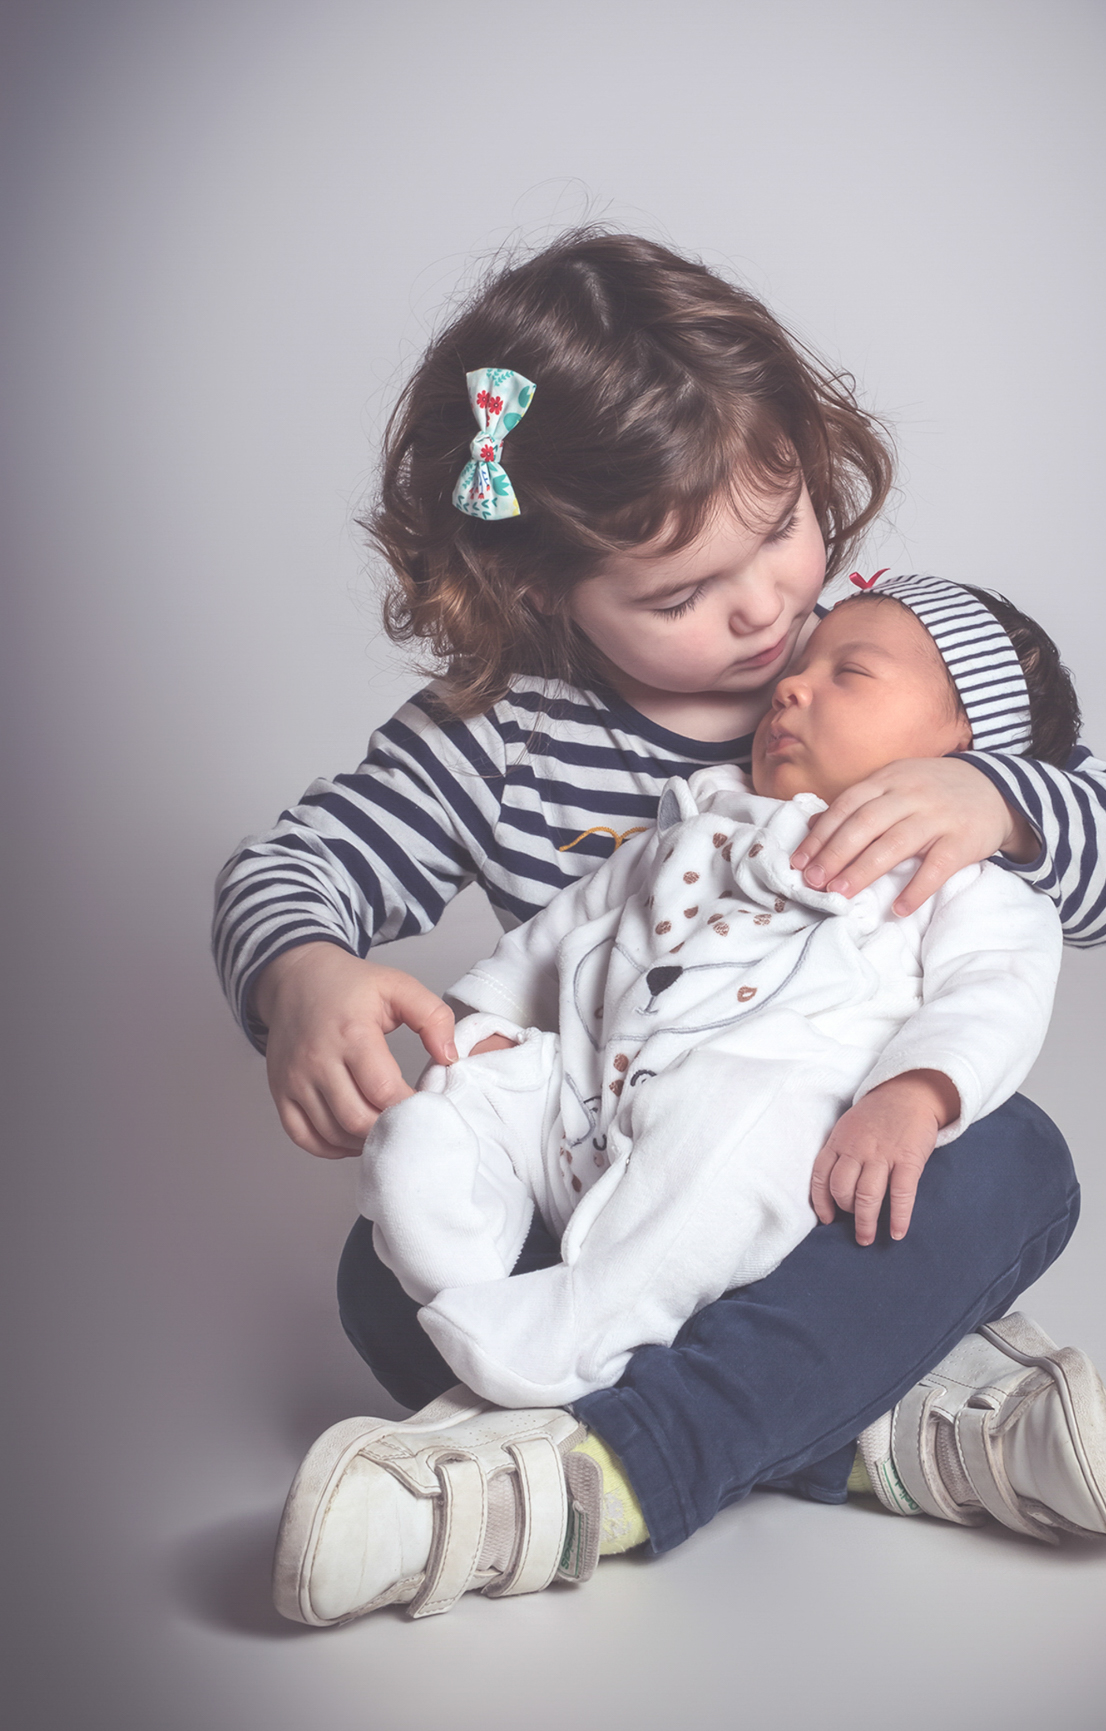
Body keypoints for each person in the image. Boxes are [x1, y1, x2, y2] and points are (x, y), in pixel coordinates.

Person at [212, 231, 1106, 1626]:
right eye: (681, 595)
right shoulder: (499, 740)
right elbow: (297, 862)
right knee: (383, 1278)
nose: (770, 606)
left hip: (833, 1171)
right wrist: (302, 971)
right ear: (540, 587)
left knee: (1014, 1160)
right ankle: (878, 1433)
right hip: (600, 1182)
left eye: (782, 527)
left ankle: (585, 1478)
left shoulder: (877, 651)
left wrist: (990, 798)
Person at [360, 578, 1066, 1409]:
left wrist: (912, 1092)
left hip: (747, 1128)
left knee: (737, 1117)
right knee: (462, 1093)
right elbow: (563, 930)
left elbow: (993, 992)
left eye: (850, 674)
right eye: (801, 665)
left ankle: (586, 1324)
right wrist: (486, 1021)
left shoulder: (957, 880)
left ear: (965, 742)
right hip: (589, 1102)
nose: (791, 685)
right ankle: (459, 1249)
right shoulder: (702, 814)